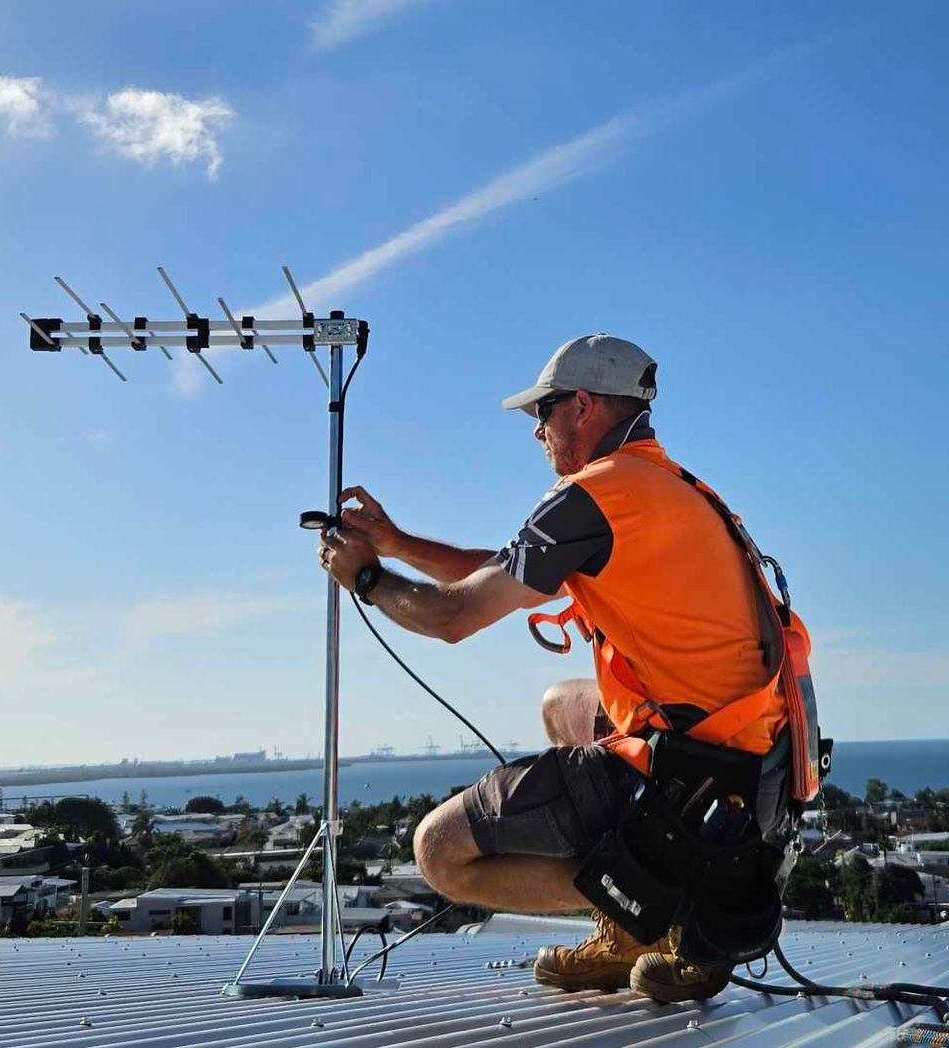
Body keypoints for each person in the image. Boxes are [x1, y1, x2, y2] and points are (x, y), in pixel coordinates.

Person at [317, 333, 790, 1004]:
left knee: (438, 852)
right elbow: (500, 569)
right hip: (745, 771)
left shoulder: (595, 496)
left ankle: (664, 896)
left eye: (543, 411)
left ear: (584, 406)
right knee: (559, 704)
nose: (537, 430)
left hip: (691, 781)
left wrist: (366, 578)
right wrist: (396, 545)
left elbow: (454, 617)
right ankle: (636, 923)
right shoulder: (663, 486)